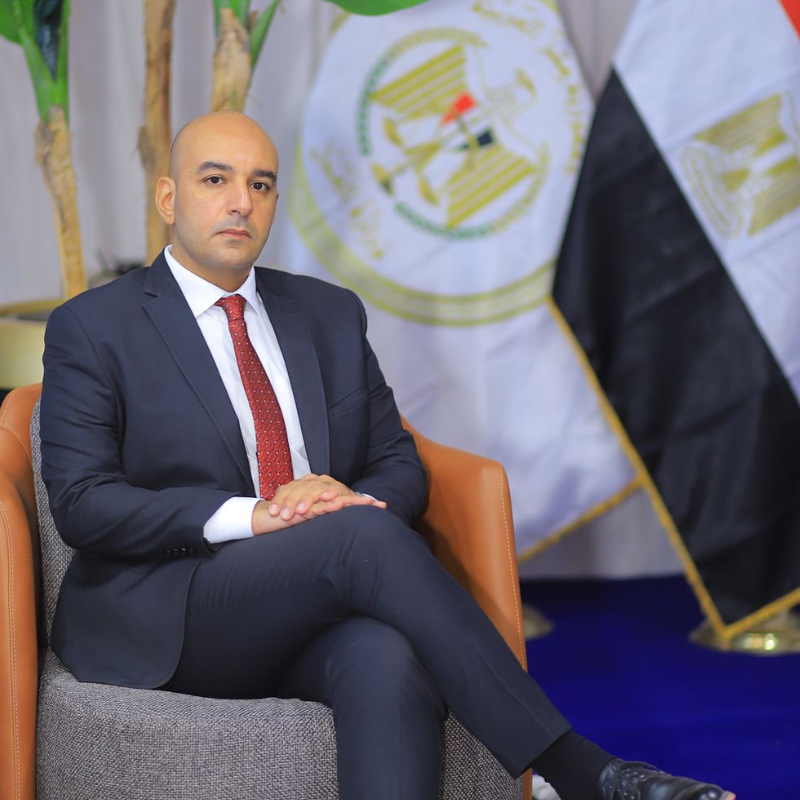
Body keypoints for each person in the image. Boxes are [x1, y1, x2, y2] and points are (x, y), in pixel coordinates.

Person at [39, 111, 734, 800]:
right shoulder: (95, 327)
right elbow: (81, 503)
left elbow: (399, 463)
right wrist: (254, 516)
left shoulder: (327, 313)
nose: (240, 202)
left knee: (387, 656)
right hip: (173, 611)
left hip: (310, 600)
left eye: (261, 184)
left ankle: (569, 773)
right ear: (168, 198)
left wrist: (344, 500)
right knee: (357, 537)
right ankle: (577, 770)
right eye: (215, 180)